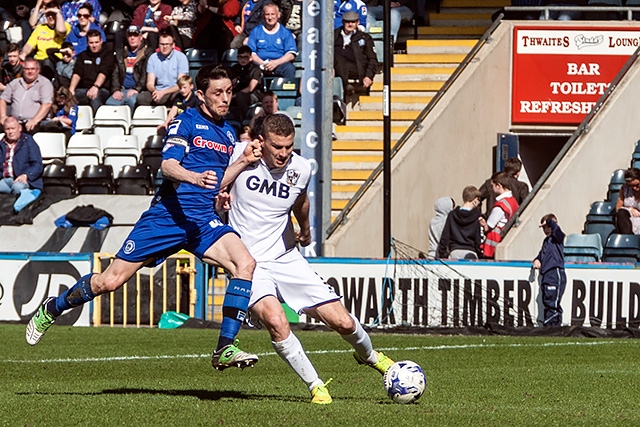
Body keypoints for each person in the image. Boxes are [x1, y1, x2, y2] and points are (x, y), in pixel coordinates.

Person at [26, 65, 261, 373]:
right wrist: (193, 177)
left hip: (201, 220)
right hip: (166, 218)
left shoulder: (228, 133)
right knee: (109, 281)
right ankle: (52, 308)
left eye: (229, 92)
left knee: (245, 264)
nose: (225, 98)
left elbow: (216, 181)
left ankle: (225, 347)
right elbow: (168, 166)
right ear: (201, 95)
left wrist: (242, 162)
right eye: (218, 93)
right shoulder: (186, 122)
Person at [217, 113, 394, 404]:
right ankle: (316, 386)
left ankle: (372, 357)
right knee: (276, 321)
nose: (284, 154)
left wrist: (306, 229)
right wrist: (238, 169)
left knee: (344, 322)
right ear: (262, 141)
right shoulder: (238, 154)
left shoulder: (300, 168)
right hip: (248, 265)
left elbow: (301, 201)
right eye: (277, 147)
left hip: (286, 258)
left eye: (289, 147)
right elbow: (209, 188)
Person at [0, 116, 43, 212]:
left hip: (23, 179)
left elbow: (37, 164)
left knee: (17, 187)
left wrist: (26, 175)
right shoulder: (1, 144)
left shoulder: (28, 141)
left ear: (19, 128)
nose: (10, 132)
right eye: (7, 129)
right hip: (5, 179)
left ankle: (31, 194)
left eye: (13, 128)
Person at [0, 58, 54, 133]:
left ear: (38, 70)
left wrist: (34, 120)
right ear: (23, 70)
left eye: (33, 69)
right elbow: (3, 99)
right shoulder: (15, 83)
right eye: (27, 69)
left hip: (36, 123)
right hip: (15, 123)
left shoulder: (44, 83)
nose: (30, 71)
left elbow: (47, 104)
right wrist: (3, 116)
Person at [333, 11, 378, 101]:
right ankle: (346, 87)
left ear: (357, 23)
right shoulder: (334, 35)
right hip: (335, 68)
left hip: (357, 68)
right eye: (347, 22)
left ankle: (345, 88)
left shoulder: (365, 38)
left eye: (353, 22)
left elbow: (372, 59)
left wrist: (368, 76)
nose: (350, 24)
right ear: (343, 22)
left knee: (340, 60)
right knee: (339, 59)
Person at [107, 25, 153, 112]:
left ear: (140, 37)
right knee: (110, 104)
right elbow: (115, 74)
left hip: (139, 91)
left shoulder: (147, 54)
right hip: (122, 89)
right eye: (129, 35)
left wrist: (136, 89)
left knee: (132, 102)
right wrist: (116, 90)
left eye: (135, 35)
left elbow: (145, 75)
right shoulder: (121, 53)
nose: (132, 38)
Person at [246, 2, 298, 80]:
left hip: (279, 64)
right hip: (259, 65)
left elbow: (291, 54)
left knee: (289, 68)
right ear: (263, 15)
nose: (270, 17)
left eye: (273, 14)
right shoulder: (256, 31)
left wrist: (275, 63)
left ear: (278, 15)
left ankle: (286, 92)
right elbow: (251, 53)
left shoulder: (285, 32)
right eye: (267, 14)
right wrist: (263, 64)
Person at [137, 32, 188, 108]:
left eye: (167, 44)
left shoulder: (181, 58)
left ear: (173, 45)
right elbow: (150, 83)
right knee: (141, 98)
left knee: (176, 97)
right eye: (162, 44)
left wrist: (163, 92)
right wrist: (155, 91)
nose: (164, 47)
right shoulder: (153, 58)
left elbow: (181, 84)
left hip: (173, 90)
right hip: (157, 90)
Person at [68, 29, 115, 113]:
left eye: (96, 42)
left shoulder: (108, 54)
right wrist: (71, 89)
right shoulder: (83, 55)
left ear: (101, 41)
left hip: (101, 88)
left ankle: (95, 122)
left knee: (95, 97)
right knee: (69, 97)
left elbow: (104, 72)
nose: (94, 45)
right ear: (87, 43)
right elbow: (77, 73)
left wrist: (95, 87)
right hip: (83, 89)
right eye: (91, 43)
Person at [532, 213, 566, 327]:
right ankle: (550, 326)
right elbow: (542, 254)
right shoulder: (546, 241)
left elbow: (558, 231)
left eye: (547, 227)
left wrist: (551, 222)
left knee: (553, 301)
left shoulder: (557, 238)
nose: (545, 230)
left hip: (555, 273)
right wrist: (537, 259)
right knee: (547, 301)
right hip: (546, 274)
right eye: (544, 228)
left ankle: (553, 326)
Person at [20, 4, 69, 79]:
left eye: (53, 14)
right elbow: (29, 45)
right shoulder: (40, 28)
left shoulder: (65, 25)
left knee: (46, 63)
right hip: (39, 59)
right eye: (48, 14)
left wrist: (57, 13)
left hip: (54, 59)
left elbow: (61, 31)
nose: (50, 17)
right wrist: (23, 54)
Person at [480, 171, 519, 259]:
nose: (492, 188)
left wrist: (483, 224)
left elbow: (489, 226)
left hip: (493, 247)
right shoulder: (513, 201)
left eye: (492, 185)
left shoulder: (500, 206)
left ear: (498, 186)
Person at [437, 186, 483, 260]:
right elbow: (477, 238)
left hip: (454, 251)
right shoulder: (476, 216)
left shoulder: (452, 214)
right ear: (475, 199)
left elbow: (445, 235)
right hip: (470, 251)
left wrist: (442, 254)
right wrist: (481, 255)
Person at [228, 45, 263, 124]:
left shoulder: (256, 69)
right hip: (235, 93)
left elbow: (250, 88)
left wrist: (235, 95)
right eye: (240, 57)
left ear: (250, 58)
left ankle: (244, 119)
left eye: (245, 57)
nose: (243, 60)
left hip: (253, 94)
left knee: (240, 96)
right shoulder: (234, 69)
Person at [614, 167, 640, 235]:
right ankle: (628, 239)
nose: (634, 188)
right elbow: (618, 207)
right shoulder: (624, 189)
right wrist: (630, 209)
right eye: (631, 186)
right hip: (629, 220)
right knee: (621, 213)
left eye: (637, 185)